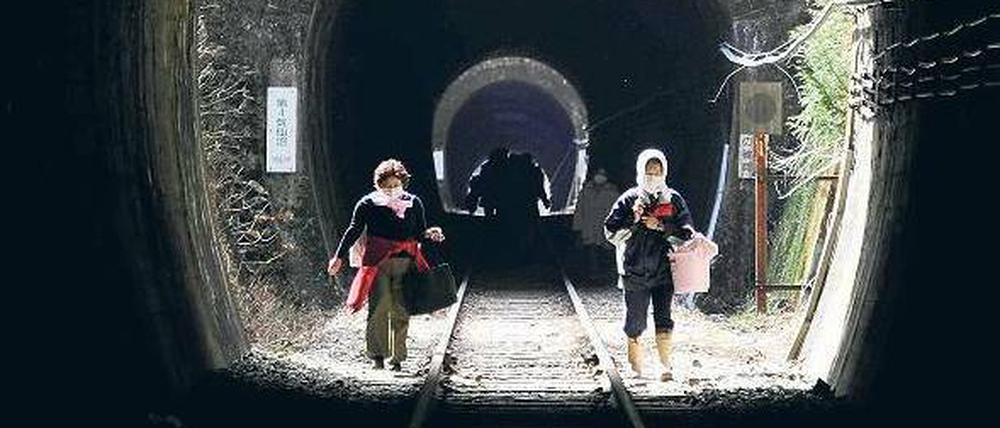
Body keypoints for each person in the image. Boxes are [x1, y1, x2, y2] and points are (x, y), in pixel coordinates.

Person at [327, 159, 446, 371]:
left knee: (401, 308)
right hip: (377, 262)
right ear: (378, 184)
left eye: (395, 185)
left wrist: (431, 233)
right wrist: (338, 256)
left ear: (403, 183)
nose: (391, 189)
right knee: (379, 308)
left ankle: (397, 357)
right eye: (386, 185)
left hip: (405, 261)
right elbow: (354, 230)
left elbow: (419, 233)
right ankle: (377, 355)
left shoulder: (414, 203)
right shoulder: (368, 204)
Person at [604, 149, 696, 381]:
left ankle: (665, 365)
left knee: (664, 318)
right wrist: (633, 219)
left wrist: (662, 226)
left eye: (657, 171)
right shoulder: (628, 199)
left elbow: (687, 234)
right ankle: (635, 365)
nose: (653, 175)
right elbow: (610, 232)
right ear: (640, 171)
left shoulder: (673, 199)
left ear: (664, 172)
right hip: (633, 269)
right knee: (635, 320)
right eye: (649, 171)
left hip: (665, 270)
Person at [572, 168, 619, 272]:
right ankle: (593, 271)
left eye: (603, 174)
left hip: (605, 226)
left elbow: (618, 211)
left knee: (607, 250)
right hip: (589, 226)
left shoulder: (613, 192)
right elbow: (579, 211)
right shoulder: (585, 191)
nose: (600, 177)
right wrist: (577, 228)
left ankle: (607, 271)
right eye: (598, 174)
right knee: (591, 250)